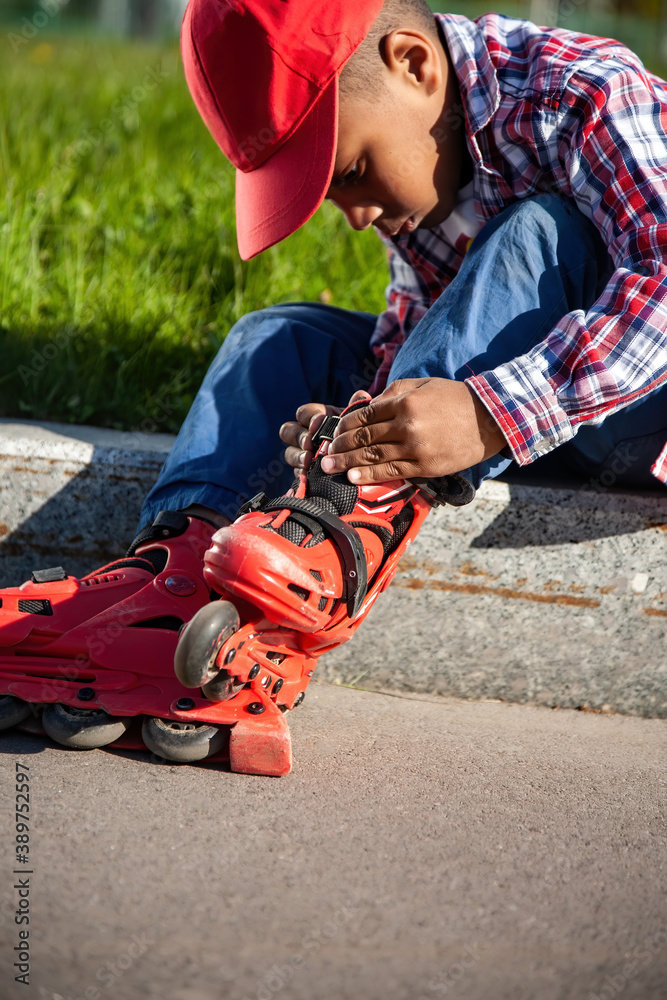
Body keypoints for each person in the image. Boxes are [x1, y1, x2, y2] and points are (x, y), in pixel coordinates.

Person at [2, 0, 667, 763]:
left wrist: (487, 414)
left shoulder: (583, 92)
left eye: (348, 172)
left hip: (633, 416)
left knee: (533, 232)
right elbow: (426, 331)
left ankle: (334, 546)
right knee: (280, 335)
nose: (353, 216)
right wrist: (353, 421)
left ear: (412, 64)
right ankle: (175, 580)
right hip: (508, 420)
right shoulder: (423, 168)